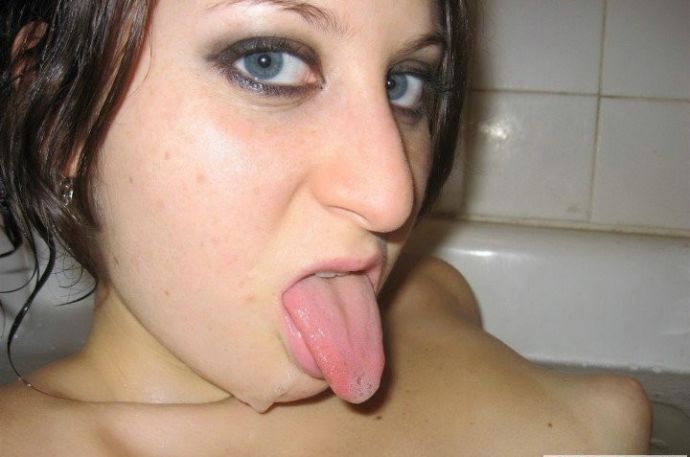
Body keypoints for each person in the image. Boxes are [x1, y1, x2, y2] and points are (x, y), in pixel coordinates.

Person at [0, 0, 651, 455]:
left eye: (402, 82)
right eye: (268, 63)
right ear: (58, 114)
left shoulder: (430, 294)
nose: (392, 197)